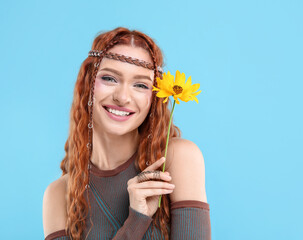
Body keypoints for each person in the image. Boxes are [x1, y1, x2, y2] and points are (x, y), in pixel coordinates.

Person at [42, 27, 211, 240]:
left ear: (154, 97)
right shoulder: (58, 195)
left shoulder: (176, 158)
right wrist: (137, 220)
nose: (122, 97)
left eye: (140, 85)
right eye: (110, 78)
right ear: (88, 85)